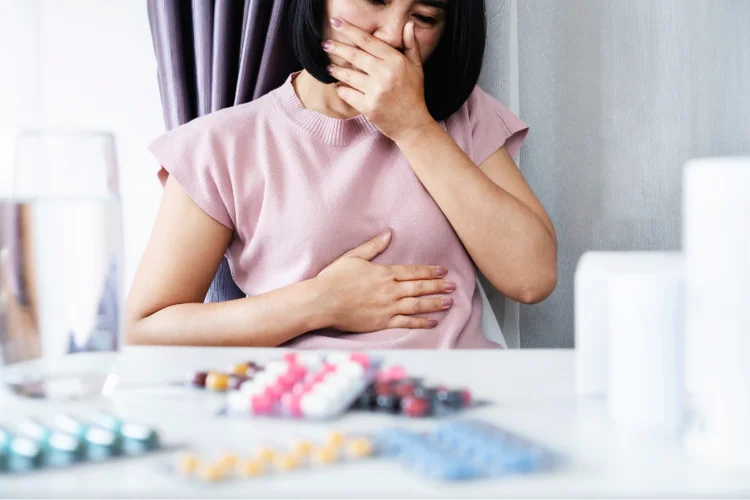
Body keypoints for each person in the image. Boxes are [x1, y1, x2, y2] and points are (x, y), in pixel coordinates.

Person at [125, 0, 557, 349]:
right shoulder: (222, 143)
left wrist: (414, 127)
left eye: (423, 17)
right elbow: (145, 328)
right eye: (374, 0)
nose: (390, 34)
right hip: (305, 415)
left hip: (458, 402)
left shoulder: (461, 117)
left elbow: (532, 278)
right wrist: (321, 303)